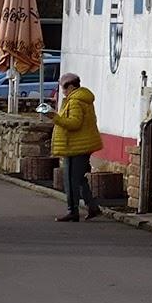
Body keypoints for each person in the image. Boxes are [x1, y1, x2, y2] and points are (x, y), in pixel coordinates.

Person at [46, 72, 103, 222]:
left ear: (70, 86)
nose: (62, 91)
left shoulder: (75, 101)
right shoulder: (83, 99)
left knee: (71, 179)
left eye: (64, 88)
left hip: (75, 145)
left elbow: (74, 124)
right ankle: (92, 207)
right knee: (79, 178)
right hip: (81, 144)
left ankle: (73, 211)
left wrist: (55, 117)